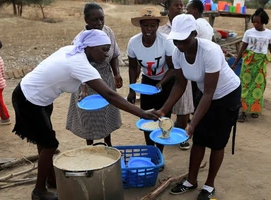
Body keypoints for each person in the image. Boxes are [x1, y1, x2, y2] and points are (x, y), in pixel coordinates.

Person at [11, 29, 159, 200]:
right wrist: (141, 113)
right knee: (50, 144)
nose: (106, 54)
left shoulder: (73, 51)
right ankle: (38, 192)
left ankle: (50, 179)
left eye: (108, 49)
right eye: (103, 49)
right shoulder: (78, 62)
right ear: (89, 46)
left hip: (37, 96)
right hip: (29, 99)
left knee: (45, 141)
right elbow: (110, 95)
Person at [158, 14, 241, 200]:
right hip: (205, 94)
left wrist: (192, 123)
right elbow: (180, 84)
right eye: (176, 40)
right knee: (200, 139)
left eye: (184, 40)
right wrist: (163, 110)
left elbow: (211, 92)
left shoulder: (210, 50)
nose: (180, 45)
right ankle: (191, 181)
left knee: (217, 142)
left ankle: (209, 185)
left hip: (226, 95)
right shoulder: (178, 52)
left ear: (194, 34)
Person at [66, 2, 122, 146]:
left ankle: (108, 145)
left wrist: (116, 74)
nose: (99, 23)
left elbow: (114, 54)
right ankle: (90, 147)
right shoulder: (79, 40)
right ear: (86, 20)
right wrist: (83, 88)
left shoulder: (108, 32)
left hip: (105, 77)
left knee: (106, 112)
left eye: (102, 19)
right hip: (85, 82)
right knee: (89, 116)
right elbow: (78, 66)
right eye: (94, 20)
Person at [126, 7, 174, 155]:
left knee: (163, 119)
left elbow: (173, 69)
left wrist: (161, 83)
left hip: (166, 81)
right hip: (147, 82)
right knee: (146, 118)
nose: (149, 28)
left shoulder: (166, 41)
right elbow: (133, 68)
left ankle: (159, 152)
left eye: (152, 25)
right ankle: (150, 150)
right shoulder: (133, 43)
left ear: (157, 26)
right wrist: (132, 90)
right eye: (145, 25)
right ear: (140, 25)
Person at [158, 0, 194, 150]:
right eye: (176, 5)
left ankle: (181, 136)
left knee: (183, 108)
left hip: (183, 74)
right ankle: (166, 133)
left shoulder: (189, 27)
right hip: (167, 73)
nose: (180, 7)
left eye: (181, 5)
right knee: (166, 105)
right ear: (168, 8)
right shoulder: (162, 31)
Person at [232, 7, 271, 123]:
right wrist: (235, 64)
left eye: (258, 22)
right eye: (254, 22)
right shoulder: (248, 33)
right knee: (244, 86)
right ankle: (242, 112)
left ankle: (255, 109)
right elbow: (242, 49)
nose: (255, 24)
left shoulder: (269, 33)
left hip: (260, 65)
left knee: (258, 87)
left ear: (263, 21)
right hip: (248, 64)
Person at [186, 0, 214, 109]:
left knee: (192, 89)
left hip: (195, 59)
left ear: (195, 10)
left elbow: (190, 39)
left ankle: (190, 112)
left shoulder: (196, 24)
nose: (187, 12)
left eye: (189, 9)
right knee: (199, 88)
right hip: (204, 59)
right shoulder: (207, 24)